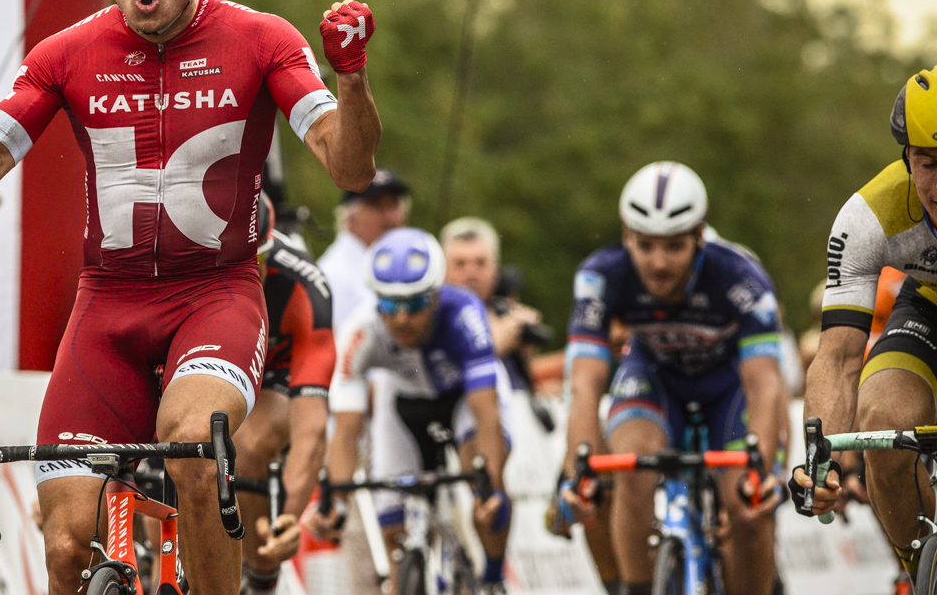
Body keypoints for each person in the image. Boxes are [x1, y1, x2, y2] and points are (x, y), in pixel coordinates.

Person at [0, 0, 380, 595]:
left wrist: (352, 78)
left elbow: (348, 165)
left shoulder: (261, 39)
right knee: (64, 547)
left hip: (214, 294)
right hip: (108, 305)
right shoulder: (65, 54)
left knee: (193, 447)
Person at [559, 161, 785, 595]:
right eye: (644, 246)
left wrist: (761, 468)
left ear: (700, 236)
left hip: (729, 389)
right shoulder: (601, 275)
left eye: (675, 247)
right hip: (655, 377)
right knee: (629, 470)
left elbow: (765, 385)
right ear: (626, 236)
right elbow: (584, 385)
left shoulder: (741, 278)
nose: (658, 263)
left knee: (748, 509)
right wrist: (580, 469)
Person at [792, 67, 937, 587]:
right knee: (883, 418)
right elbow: (838, 358)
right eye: (930, 163)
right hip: (928, 311)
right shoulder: (868, 218)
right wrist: (820, 460)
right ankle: (922, 571)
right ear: (907, 158)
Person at [307, 228, 513, 595]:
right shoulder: (361, 330)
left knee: (482, 484)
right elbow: (347, 430)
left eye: (414, 304)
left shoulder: (464, 313)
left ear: (435, 295)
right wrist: (336, 502)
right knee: (393, 531)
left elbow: (486, 413)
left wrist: (491, 485)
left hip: (465, 401)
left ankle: (494, 578)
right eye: (389, 304)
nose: (401, 318)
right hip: (402, 405)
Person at [235, 196, 335, 595]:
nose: (246, 274)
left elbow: (310, 430)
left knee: (248, 443)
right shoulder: (177, 266)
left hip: (274, 370)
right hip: (204, 353)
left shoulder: (305, 284)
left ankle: (261, 570)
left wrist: (289, 518)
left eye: (255, 263)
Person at [440, 216, 543, 391]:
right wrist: (496, 344)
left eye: (481, 263)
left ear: (496, 267)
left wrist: (523, 354)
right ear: (442, 269)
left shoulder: (503, 313)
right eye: (460, 263)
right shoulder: (434, 319)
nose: (471, 272)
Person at [317, 167, 409, 335]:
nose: (390, 217)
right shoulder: (332, 275)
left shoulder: (392, 263)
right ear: (351, 217)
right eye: (377, 206)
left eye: (394, 205)